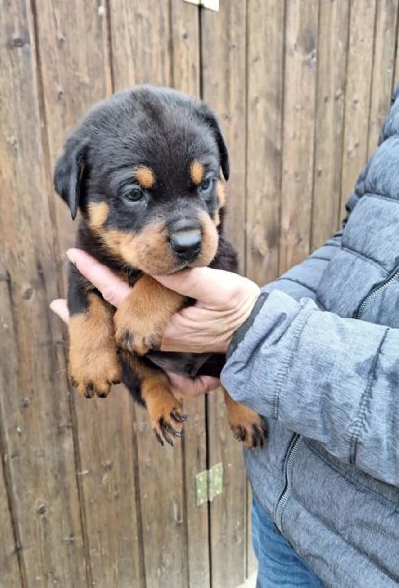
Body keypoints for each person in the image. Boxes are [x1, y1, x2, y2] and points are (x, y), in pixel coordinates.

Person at [51, 88, 399, 587]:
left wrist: (173, 296)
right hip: (283, 506)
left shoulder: (209, 249)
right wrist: (93, 336)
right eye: (134, 193)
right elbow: (354, 240)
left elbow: (232, 314)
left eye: (203, 187)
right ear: (79, 193)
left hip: (377, 561)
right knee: (122, 344)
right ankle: (154, 392)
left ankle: (236, 393)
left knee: (228, 351)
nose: (189, 232)